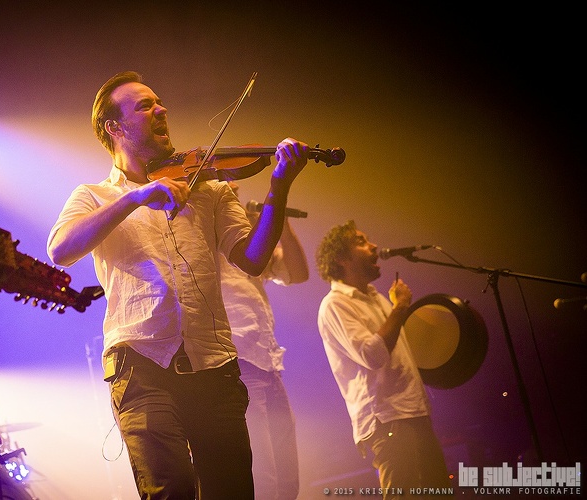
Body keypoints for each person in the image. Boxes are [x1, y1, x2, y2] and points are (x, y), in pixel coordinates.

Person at [47, 71, 309, 499]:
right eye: (145, 106)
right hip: (141, 365)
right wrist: (135, 197)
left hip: (214, 365)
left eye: (159, 102)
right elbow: (60, 249)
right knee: (172, 489)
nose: (161, 109)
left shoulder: (209, 188)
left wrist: (279, 187)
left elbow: (253, 258)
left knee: (232, 492)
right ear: (115, 128)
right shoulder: (94, 196)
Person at [315, 220, 451, 499]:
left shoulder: (377, 298)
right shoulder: (335, 304)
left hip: (413, 412)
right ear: (341, 258)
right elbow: (373, 355)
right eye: (361, 242)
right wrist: (400, 307)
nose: (373, 245)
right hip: (387, 419)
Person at [218, 181, 306, 500]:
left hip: (267, 364)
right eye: (227, 185)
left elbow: (297, 273)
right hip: (237, 363)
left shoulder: (250, 240)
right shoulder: (207, 235)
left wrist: (278, 220)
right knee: (263, 477)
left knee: (287, 480)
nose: (235, 187)